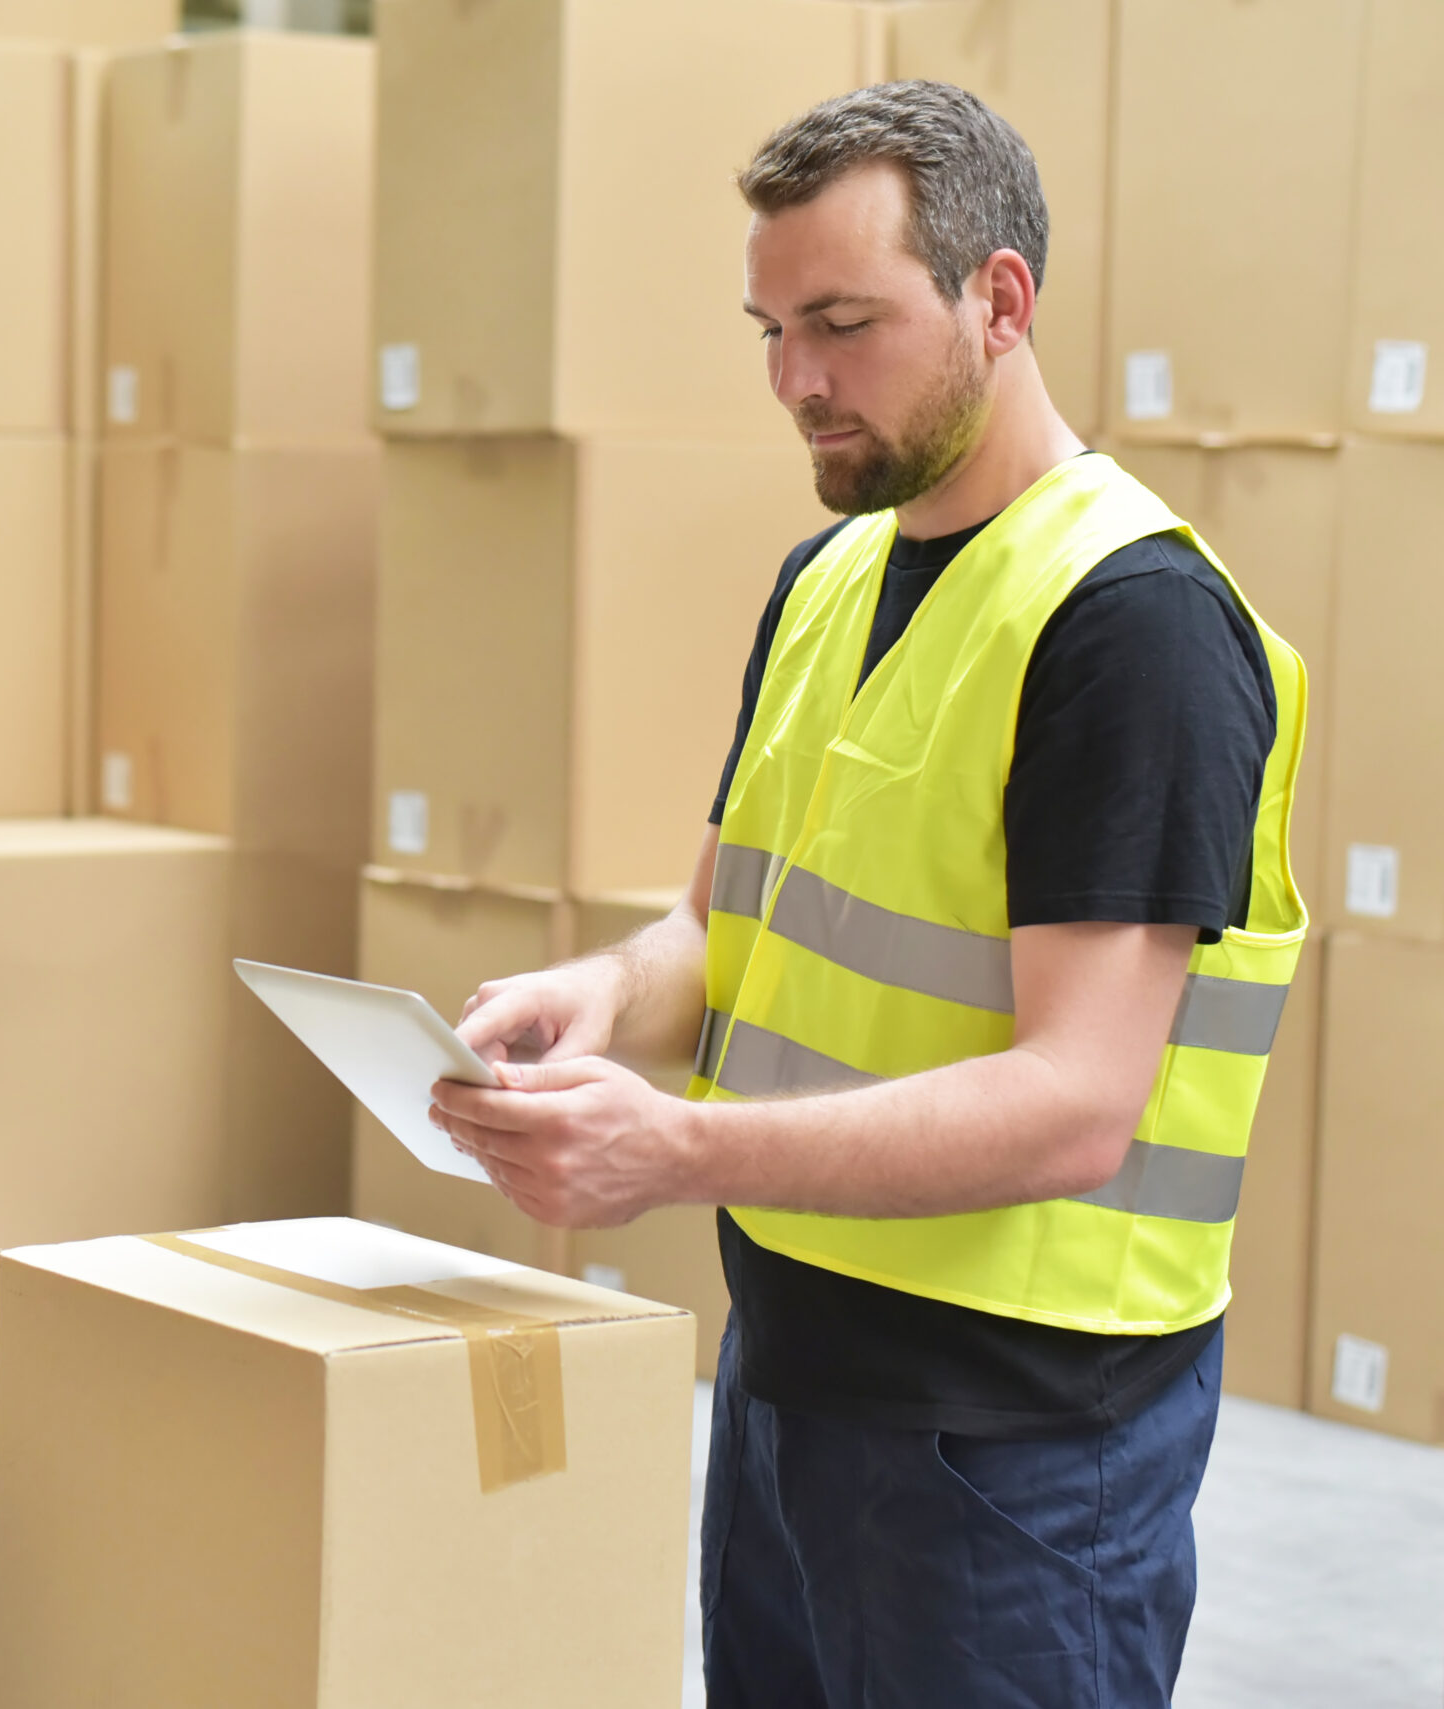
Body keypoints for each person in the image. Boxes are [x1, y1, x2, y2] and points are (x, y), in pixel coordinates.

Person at [427, 83, 1304, 1706]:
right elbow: (719, 925)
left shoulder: (1134, 626)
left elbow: (1076, 1101)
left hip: (1016, 1443)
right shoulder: (827, 578)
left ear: (1001, 299)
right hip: (791, 1372)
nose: (797, 382)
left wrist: (672, 1146)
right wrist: (604, 999)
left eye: (842, 323)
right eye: (770, 328)